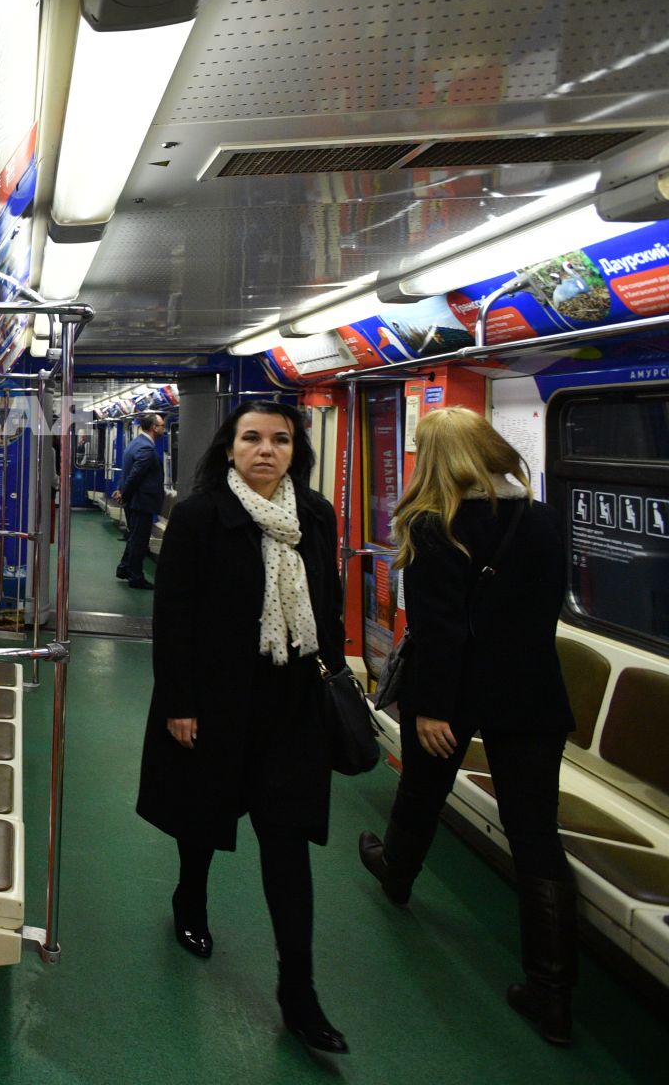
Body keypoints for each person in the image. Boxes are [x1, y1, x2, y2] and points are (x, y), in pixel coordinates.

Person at [356, 407, 578, 1045]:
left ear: (434, 458)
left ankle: (396, 875)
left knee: (423, 788)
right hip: (532, 690)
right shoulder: (541, 519)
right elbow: (540, 612)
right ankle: (553, 993)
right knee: (535, 834)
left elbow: (441, 629)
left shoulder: (434, 525)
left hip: (455, 692)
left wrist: (430, 707)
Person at [136, 401, 350, 1054]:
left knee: (286, 845)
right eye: (251, 438)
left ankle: (299, 992)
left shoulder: (314, 516)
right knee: (203, 819)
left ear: (295, 450)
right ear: (229, 448)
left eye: (279, 440)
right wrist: (179, 701)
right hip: (215, 701)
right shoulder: (201, 516)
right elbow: (173, 617)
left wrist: (334, 683)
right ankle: (190, 898)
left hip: (290, 706)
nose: (266, 450)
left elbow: (328, 604)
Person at [112, 411, 167, 589]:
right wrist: (124, 493)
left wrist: (121, 490)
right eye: (162, 426)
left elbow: (126, 471)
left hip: (134, 500)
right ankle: (136, 577)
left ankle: (124, 568)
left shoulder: (134, 444)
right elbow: (135, 475)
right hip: (141, 501)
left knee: (135, 537)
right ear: (153, 428)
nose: (164, 429)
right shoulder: (147, 448)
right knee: (139, 540)